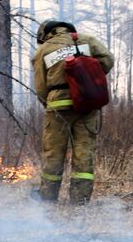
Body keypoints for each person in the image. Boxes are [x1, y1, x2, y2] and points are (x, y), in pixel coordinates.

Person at [32, 19, 114, 204]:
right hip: (86, 104)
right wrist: (89, 78)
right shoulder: (86, 40)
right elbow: (108, 59)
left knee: (53, 153)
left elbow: (40, 85)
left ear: (44, 35)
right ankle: (80, 201)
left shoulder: (43, 50)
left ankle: (47, 199)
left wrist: (49, 102)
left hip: (58, 107)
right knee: (84, 153)